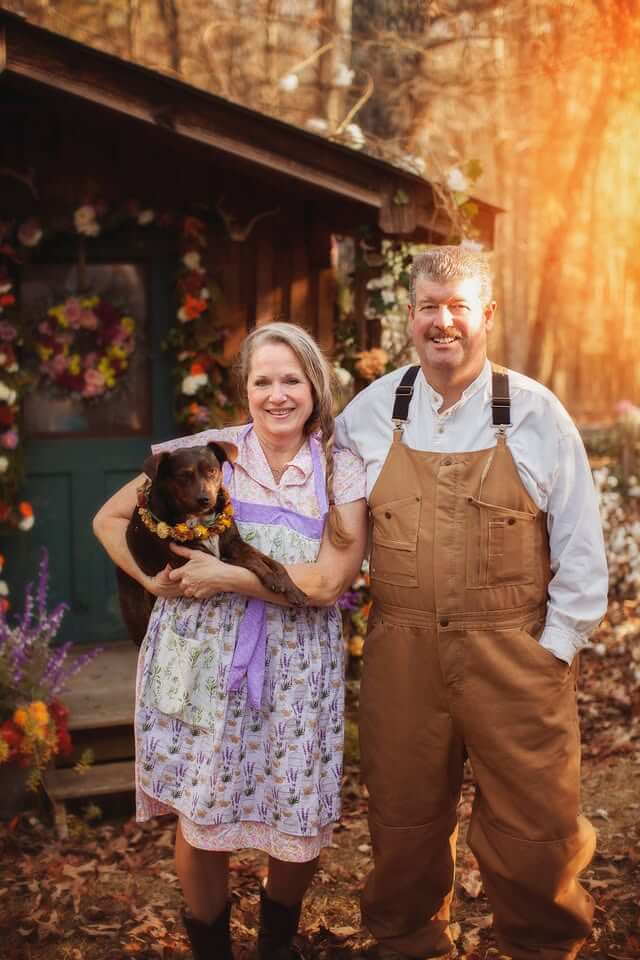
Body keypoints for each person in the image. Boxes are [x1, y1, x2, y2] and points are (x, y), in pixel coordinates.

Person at [335, 246, 608, 960]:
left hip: (514, 656)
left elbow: (581, 547)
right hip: (403, 654)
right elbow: (327, 532)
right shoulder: (367, 416)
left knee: (535, 827)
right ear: (411, 316)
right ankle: (410, 944)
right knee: (402, 822)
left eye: (458, 306)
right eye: (429, 306)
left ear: (487, 314)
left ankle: (543, 947)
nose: (442, 322)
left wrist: (555, 648)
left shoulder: (537, 415)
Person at [93, 322, 368, 960]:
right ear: (244, 389)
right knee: (203, 809)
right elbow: (107, 518)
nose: (277, 394)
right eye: (262, 380)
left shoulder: (338, 467)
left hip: (298, 665)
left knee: (297, 807)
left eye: (291, 379)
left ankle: (276, 945)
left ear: (314, 386)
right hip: (201, 666)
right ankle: (212, 950)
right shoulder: (201, 453)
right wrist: (151, 580)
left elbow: (327, 582)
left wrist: (227, 575)